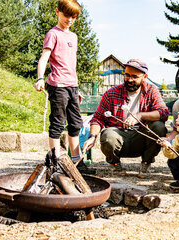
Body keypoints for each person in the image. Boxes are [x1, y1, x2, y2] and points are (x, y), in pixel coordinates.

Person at [82, 59, 169, 178]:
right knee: (107, 135)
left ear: (144, 77)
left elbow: (163, 113)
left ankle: (146, 163)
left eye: (134, 76)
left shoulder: (151, 91)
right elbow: (98, 118)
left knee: (159, 126)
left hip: (142, 138)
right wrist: (92, 137)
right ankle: (115, 164)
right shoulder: (112, 93)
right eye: (127, 75)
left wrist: (140, 115)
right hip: (119, 137)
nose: (129, 79)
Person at [34, 0, 86, 169]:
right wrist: (40, 78)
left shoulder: (73, 37)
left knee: (76, 123)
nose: (69, 19)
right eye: (66, 15)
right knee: (58, 122)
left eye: (73, 17)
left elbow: (72, 64)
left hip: (72, 85)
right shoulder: (53, 34)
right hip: (57, 85)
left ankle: (76, 161)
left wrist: (76, 88)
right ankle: (55, 161)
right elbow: (44, 57)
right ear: (57, 12)